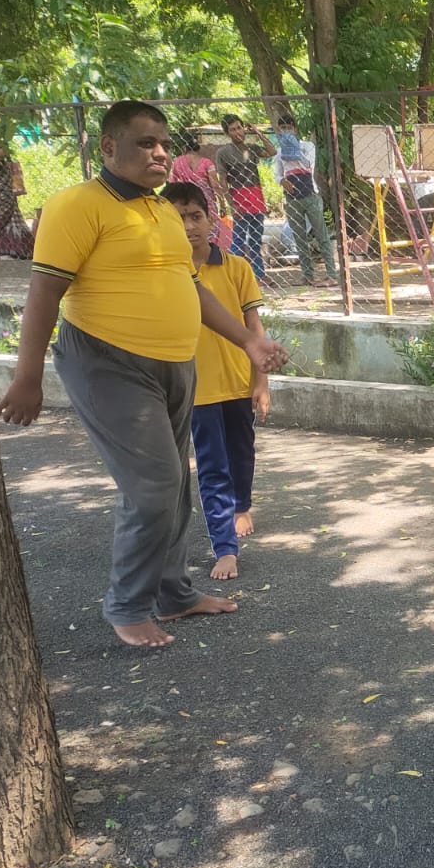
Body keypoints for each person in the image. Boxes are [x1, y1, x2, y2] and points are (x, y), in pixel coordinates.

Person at [0, 100, 288, 649]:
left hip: (174, 363)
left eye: (165, 144)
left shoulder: (161, 212)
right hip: (108, 363)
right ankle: (127, 605)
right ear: (108, 147)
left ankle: (173, 594)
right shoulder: (76, 205)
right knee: (153, 488)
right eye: (145, 143)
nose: (159, 153)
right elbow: (45, 291)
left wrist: (248, 340)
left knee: (175, 487)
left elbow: (191, 287)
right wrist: (26, 375)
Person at [162, 182, 269, 582]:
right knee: (212, 466)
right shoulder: (165, 272)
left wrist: (261, 382)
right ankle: (224, 547)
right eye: (178, 218)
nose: (189, 226)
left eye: (196, 216)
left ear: (212, 219)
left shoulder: (237, 267)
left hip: (238, 382)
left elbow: (254, 328)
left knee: (242, 454)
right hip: (197, 389)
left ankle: (241, 505)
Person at [273, 112, 338, 286]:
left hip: (310, 195)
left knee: (321, 235)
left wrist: (293, 148)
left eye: (289, 128)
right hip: (292, 198)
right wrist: (282, 181)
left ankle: (331, 275)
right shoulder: (279, 153)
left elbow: (309, 165)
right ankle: (307, 275)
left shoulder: (307, 146)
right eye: (283, 129)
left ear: (295, 129)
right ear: (279, 131)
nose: (286, 132)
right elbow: (277, 174)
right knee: (299, 237)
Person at [215, 114, 275, 284]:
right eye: (232, 130)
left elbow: (272, 151)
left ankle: (259, 275)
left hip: (256, 197)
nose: (237, 132)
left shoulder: (252, 148)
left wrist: (258, 132)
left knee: (256, 239)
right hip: (239, 197)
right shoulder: (223, 153)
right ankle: (234, 276)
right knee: (238, 241)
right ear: (227, 133)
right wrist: (231, 204)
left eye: (239, 128)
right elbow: (222, 180)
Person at [169, 131, 232, 251]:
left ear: (184, 147)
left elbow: (172, 183)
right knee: (210, 230)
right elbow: (215, 185)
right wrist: (222, 205)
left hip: (184, 203)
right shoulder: (207, 163)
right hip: (205, 204)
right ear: (197, 146)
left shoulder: (177, 162)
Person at [0, 142, 34, 259]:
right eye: (3, 149)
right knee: (2, 219)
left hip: (8, 196)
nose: (5, 151)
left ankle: (15, 249)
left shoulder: (4, 162)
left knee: (13, 221)